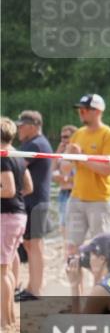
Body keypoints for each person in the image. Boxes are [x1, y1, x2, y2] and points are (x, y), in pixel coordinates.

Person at [64, 94, 110, 300]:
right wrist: (67, 155)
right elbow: (65, 168)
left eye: (84, 110)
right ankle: (76, 298)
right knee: (72, 249)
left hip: (100, 199)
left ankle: (100, 296)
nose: (80, 113)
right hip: (77, 198)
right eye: (79, 110)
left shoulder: (109, 135)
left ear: (97, 111)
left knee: (101, 252)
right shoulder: (78, 134)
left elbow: (108, 169)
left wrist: (82, 157)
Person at [14, 111, 52, 302]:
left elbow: (14, 166)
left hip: (36, 201)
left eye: (21, 126)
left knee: (35, 245)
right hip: (33, 200)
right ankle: (32, 286)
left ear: (33, 126)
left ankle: (36, 290)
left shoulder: (36, 144)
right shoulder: (32, 143)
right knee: (30, 245)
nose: (18, 129)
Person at [1, 117, 33, 327]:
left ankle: (4, 320)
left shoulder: (2, 157)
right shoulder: (18, 155)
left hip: (6, 217)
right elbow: (28, 187)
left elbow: (9, 189)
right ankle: (9, 316)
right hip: (18, 215)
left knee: (2, 272)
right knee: (6, 270)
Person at [54, 125, 78, 237]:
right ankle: (66, 245)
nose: (63, 140)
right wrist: (57, 153)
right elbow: (51, 170)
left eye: (66, 137)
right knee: (63, 225)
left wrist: (68, 179)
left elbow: (81, 176)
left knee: (72, 225)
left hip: (74, 192)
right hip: (63, 192)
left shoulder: (78, 154)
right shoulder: (62, 154)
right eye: (62, 137)